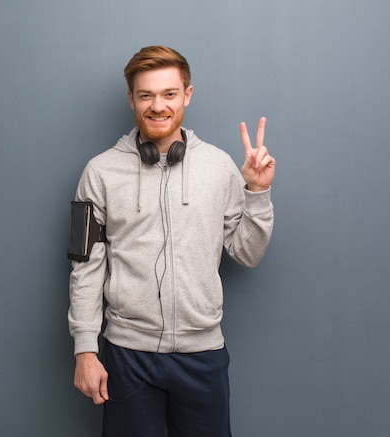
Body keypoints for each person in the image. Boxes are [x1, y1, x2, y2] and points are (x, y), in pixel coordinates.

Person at [67, 45, 275, 436]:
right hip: (127, 355)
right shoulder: (99, 172)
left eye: (169, 94)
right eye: (146, 95)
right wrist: (85, 348)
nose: (157, 106)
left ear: (187, 95)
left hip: (203, 357)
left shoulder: (219, 167)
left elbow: (247, 254)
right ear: (131, 98)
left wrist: (257, 193)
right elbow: (86, 265)